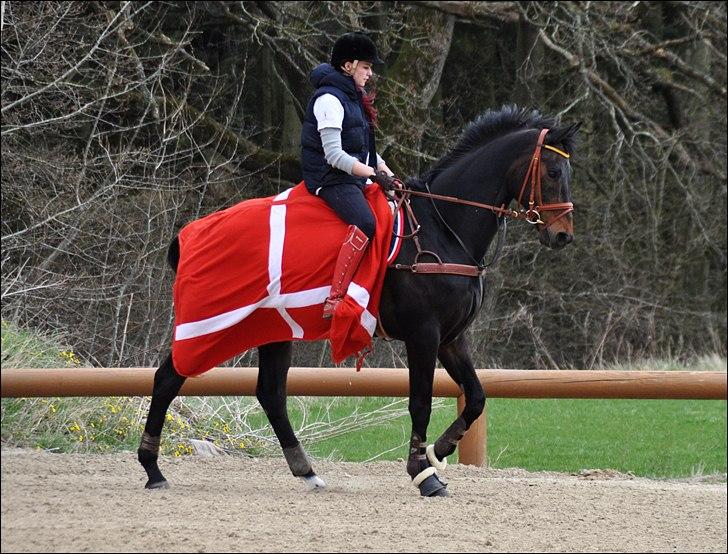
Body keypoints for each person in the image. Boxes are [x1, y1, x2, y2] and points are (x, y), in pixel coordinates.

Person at [301, 32, 399, 319]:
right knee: (366, 222)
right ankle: (337, 296)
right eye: (366, 67)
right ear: (348, 66)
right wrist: (371, 173)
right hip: (328, 179)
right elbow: (334, 156)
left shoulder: (353, 97)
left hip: (351, 175)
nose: (370, 73)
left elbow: (361, 148)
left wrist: (387, 173)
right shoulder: (329, 99)